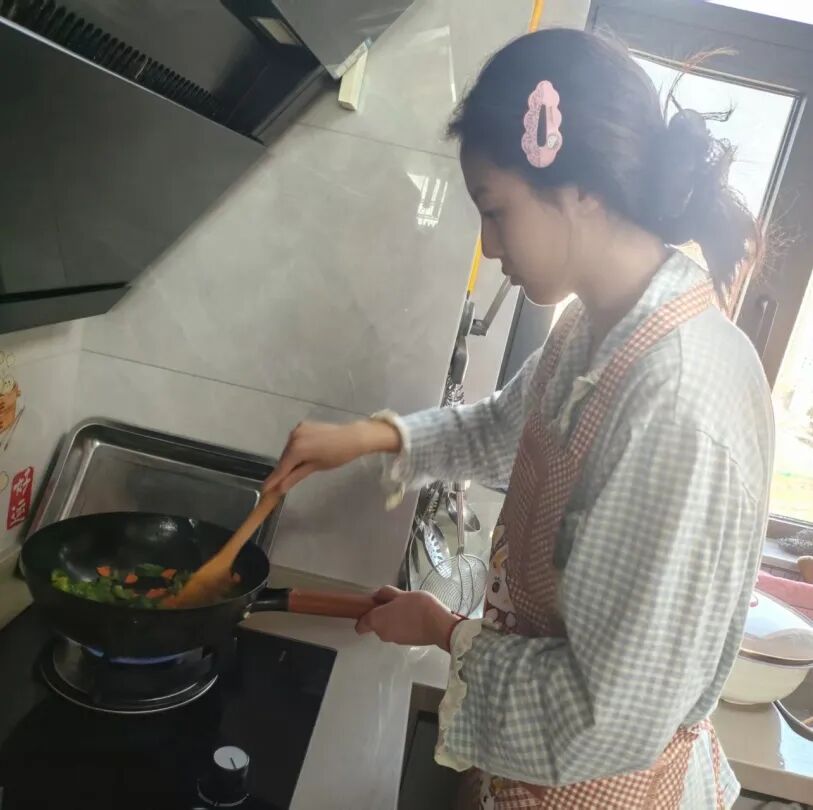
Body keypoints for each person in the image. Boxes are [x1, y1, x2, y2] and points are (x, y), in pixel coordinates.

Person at [264, 28, 774, 810]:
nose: (488, 243)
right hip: (535, 775)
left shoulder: (675, 401)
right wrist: (371, 437)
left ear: (581, 189)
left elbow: (605, 715)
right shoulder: (595, 329)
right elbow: (505, 430)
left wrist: (446, 632)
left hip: (602, 789)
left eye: (495, 210)